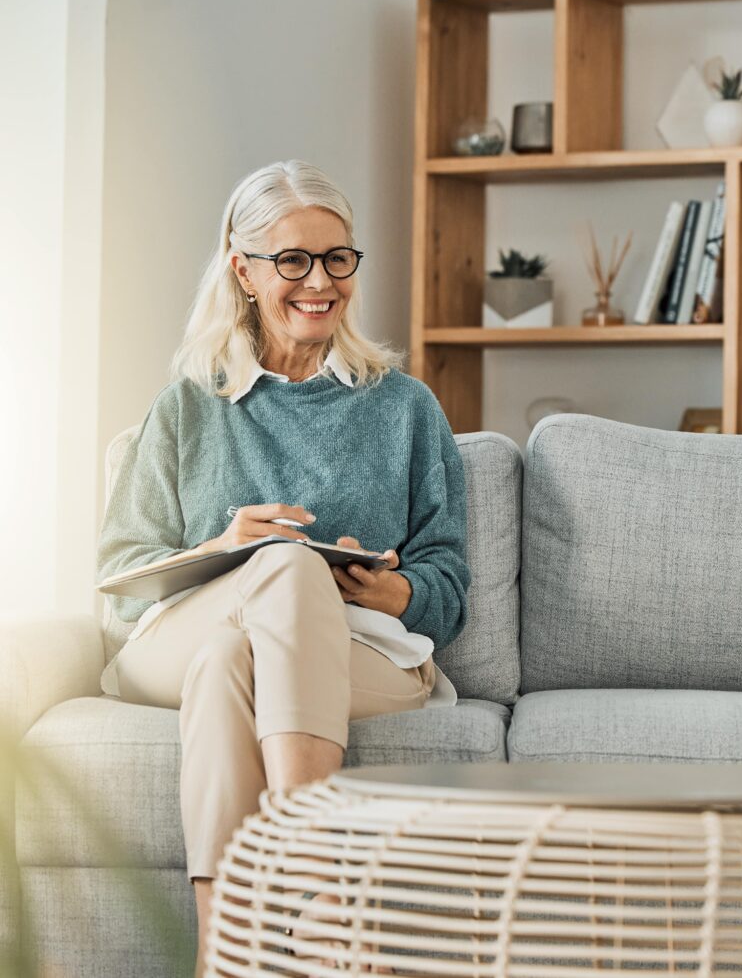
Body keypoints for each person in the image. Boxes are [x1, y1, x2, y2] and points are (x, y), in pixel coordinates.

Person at [96, 160, 470, 971]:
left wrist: (398, 587)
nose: (320, 281)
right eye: (293, 260)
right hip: (177, 638)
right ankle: (318, 872)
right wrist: (226, 550)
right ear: (244, 268)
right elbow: (121, 576)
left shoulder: (404, 407)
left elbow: (450, 583)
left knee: (244, 650)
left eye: (338, 258)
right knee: (282, 568)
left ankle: (221, 950)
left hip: (359, 648)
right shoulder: (189, 403)